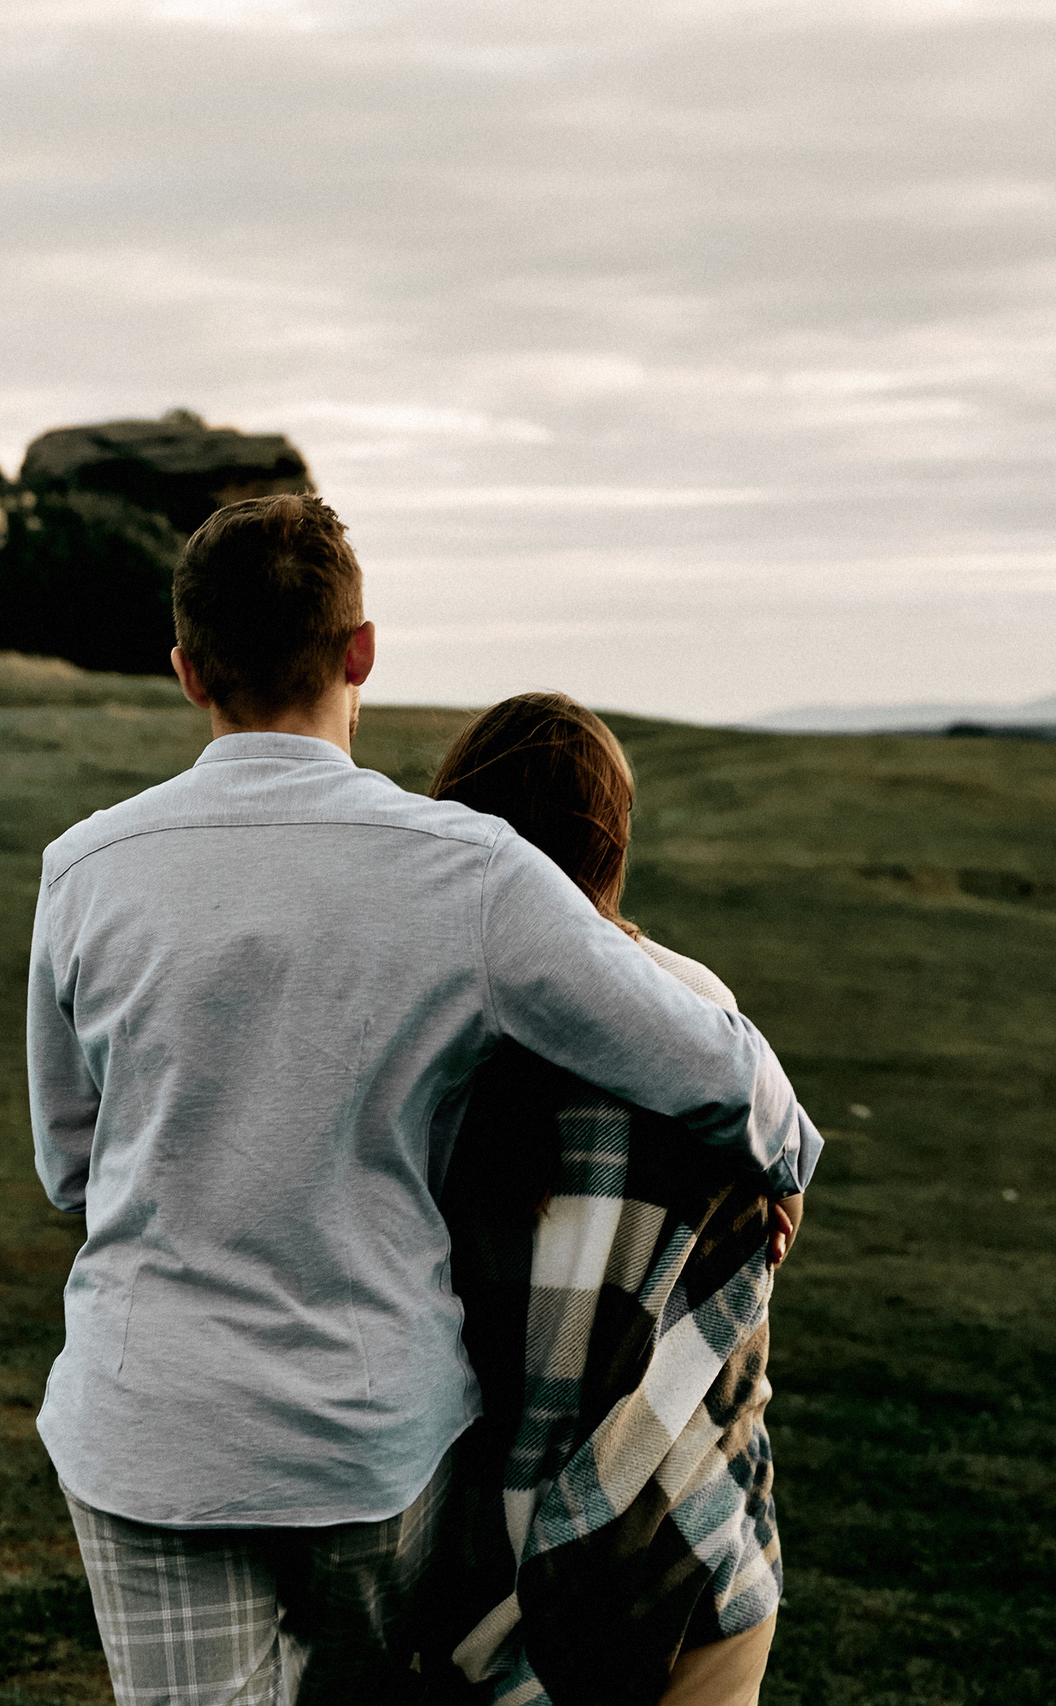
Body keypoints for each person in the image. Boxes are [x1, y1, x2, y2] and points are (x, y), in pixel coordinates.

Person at [26, 494, 822, 1705]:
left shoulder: (83, 869)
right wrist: (782, 1153)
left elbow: (70, 1169)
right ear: (360, 651)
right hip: (370, 1436)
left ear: (187, 671)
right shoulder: (466, 867)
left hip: (148, 1424)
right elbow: (702, 1055)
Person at [430, 694, 800, 1706]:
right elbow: (739, 1272)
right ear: (613, 844)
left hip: (475, 1575)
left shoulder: (427, 1044)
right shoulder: (703, 1025)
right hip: (690, 1534)